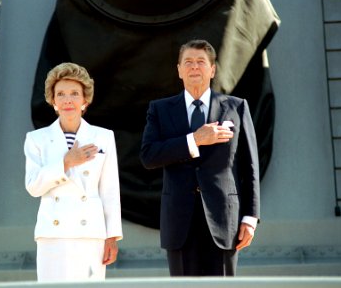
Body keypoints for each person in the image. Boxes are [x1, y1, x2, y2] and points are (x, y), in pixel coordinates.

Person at [140, 39, 260, 276]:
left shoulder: (237, 107)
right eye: (188, 62)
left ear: (212, 69)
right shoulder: (160, 110)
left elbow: (250, 166)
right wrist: (194, 140)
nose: (194, 67)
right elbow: (148, 156)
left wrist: (250, 216)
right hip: (179, 222)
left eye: (201, 62)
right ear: (179, 70)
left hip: (224, 220)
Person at [24, 62, 123, 282]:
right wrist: (66, 163)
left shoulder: (103, 137)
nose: (68, 99)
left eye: (74, 93)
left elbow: (109, 191)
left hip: (91, 233)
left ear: (84, 100)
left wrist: (112, 237)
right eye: (61, 94)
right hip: (52, 233)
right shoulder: (36, 139)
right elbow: (33, 186)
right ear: (53, 102)